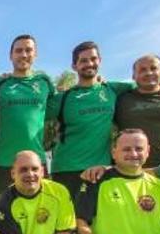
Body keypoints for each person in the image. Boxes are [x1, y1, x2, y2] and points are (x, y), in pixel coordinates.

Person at [49, 41, 136, 199]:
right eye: (83, 60)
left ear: (100, 61)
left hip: (101, 169)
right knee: (67, 223)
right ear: (74, 66)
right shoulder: (63, 97)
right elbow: (33, 111)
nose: (89, 63)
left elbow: (148, 84)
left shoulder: (112, 89)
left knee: (100, 221)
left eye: (93, 59)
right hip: (66, 170)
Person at [0, 35, 58, 204]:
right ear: (11, 56)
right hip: (1, 162)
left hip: (36, 163)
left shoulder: (45, 83)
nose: (24, 55)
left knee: (40, 219)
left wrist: (97, 81)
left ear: (35, 54)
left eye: (28, 50)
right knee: (0, 222)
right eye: (18, 51)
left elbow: (62, 106)